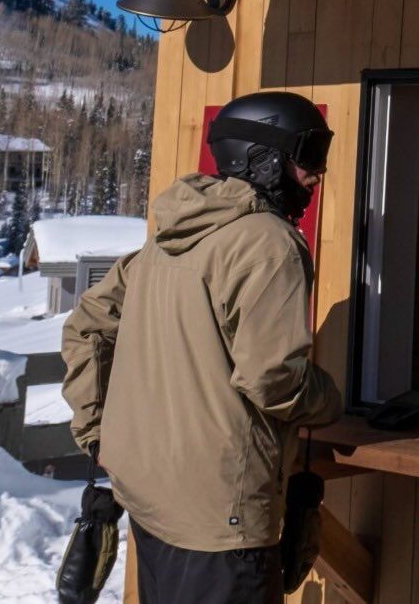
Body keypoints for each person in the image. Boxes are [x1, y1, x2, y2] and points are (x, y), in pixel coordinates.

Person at [64, 91, 343, 604]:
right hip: (221, 521)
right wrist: (330, 400)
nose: (315, 173)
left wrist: (97, 430)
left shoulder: (166, 240)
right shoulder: (269, 243)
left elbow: (86, 326)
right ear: (263, 158)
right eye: (308, 155)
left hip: (151, 505)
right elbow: (272, 377)